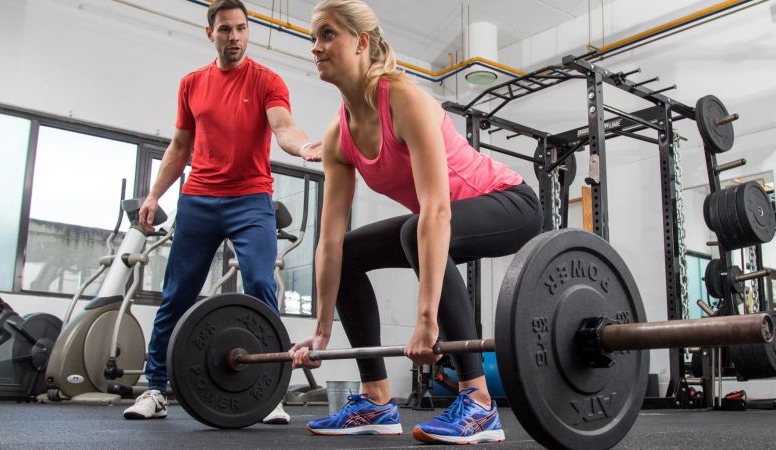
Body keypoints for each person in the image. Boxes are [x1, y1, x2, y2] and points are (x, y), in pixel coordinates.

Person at [289, 0, 544, 444]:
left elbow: (438, 211)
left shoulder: (404, 99)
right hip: (437, 218)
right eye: (314, 37)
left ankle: (479, 402)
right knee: (349, 250)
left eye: (328, 34)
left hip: (509, 203)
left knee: (416, 228)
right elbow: (328, 241)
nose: (316, 47)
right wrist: (321, 331)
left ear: (361, 42)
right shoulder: (338, 135)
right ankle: (376, 399)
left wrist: (427, 319)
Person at [123, 0, 321, 423]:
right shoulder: (191, 84)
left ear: (248, 31)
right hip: (199, 199)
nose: (234, 37)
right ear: (209, 33)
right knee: (177, 294)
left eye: (241, 28)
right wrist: (154, 194)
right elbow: (179, 147)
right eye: (226, 29)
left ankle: (270, 392)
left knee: (261, 286)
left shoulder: (267, 80)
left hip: (251, 199)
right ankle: (155, 388)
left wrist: (303, 146)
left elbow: (283, 125)